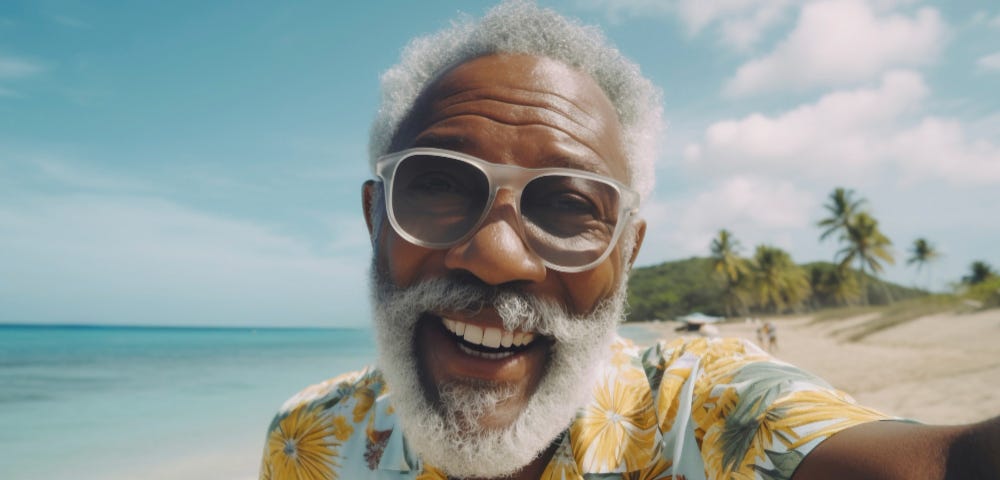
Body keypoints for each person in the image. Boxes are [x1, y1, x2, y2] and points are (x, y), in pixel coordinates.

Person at [259, 2, 1000, 479]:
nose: (497, 255)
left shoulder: (701, 415)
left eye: (568, 204)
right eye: (441, 185)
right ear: (373, 218)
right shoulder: (307, 440)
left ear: (628, 251)